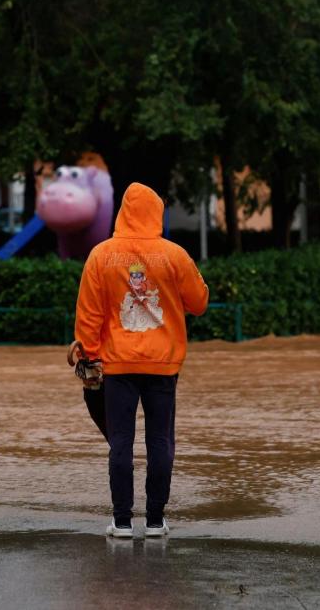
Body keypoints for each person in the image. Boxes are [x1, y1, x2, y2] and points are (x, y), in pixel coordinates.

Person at [74, 182, 209, 538]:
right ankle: (154, 521)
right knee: (160, 441)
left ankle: (120, 522)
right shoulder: (175, 255)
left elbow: (88, 314)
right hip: (163, 365)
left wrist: (88, 355)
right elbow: (199, 303)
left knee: (121, 442)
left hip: (117, 365)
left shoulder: (100, 255)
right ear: (157, 213)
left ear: (122, 212)